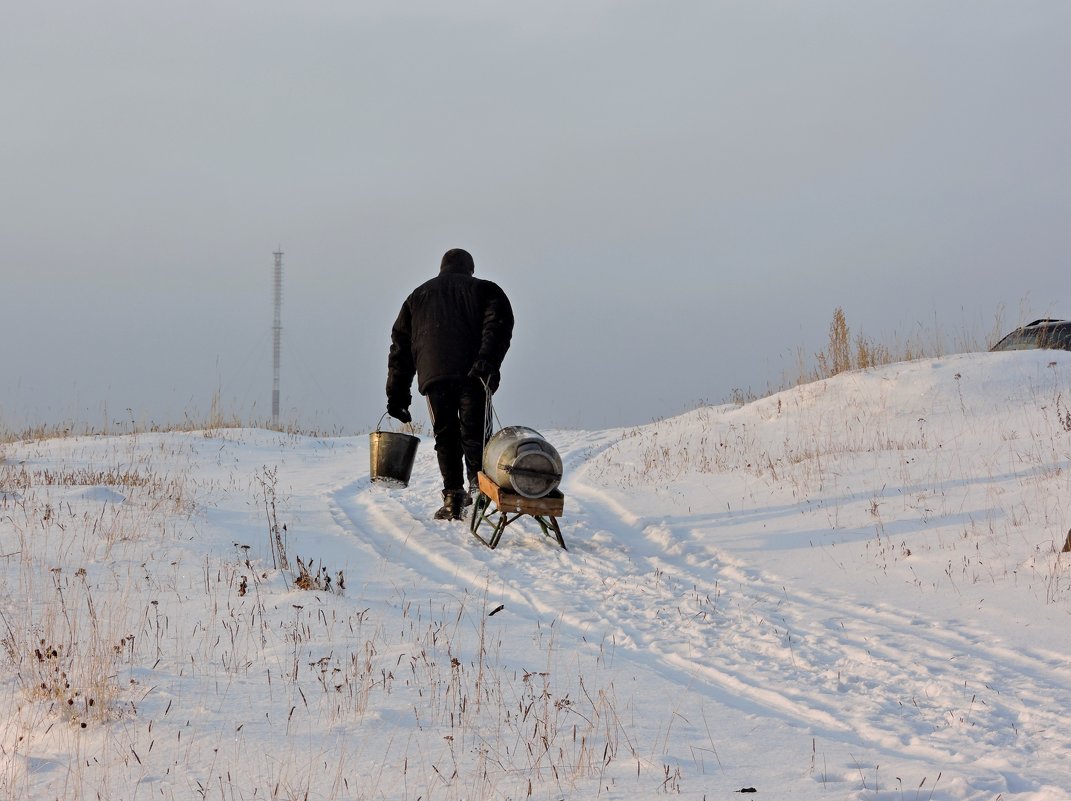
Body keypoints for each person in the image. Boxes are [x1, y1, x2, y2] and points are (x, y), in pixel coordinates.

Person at [385, 248, 514, 520]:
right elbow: (498, 325)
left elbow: (400, 349)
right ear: (470, 270)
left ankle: (453, 498)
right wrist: (487, 361)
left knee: (446, 436)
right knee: (476, 434)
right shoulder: (486, 290)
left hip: (434, 378)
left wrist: (397, 395)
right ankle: (479, 491)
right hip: (473, 375)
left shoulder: (416, 297)